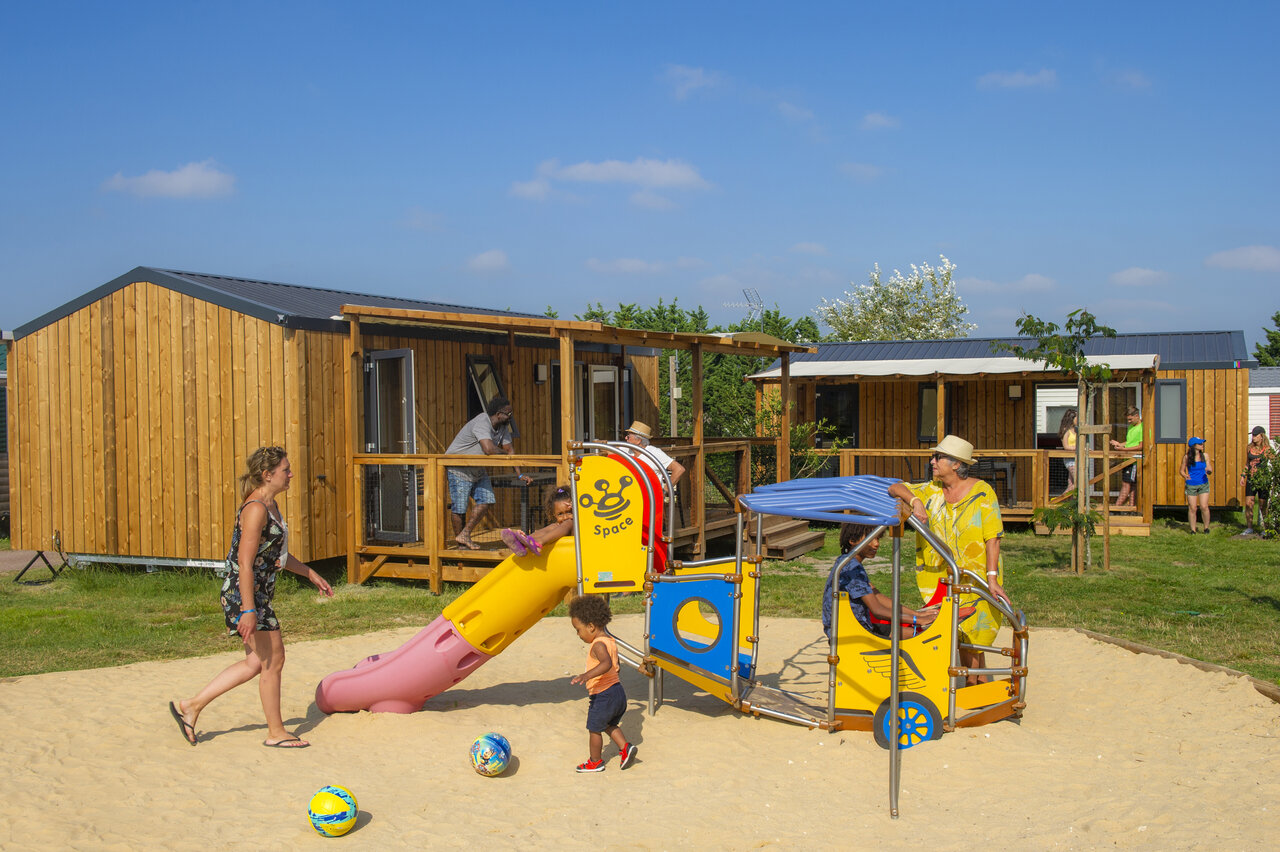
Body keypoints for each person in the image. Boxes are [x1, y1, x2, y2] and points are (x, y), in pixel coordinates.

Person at [170, 446, 334, 748]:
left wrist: (310, 573)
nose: (291, 475)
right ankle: (276, 733)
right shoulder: (256, 508)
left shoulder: (271, 507)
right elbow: (244, 562)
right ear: (267, 474)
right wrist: (248, 610)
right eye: (285, 470)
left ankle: (192, 706)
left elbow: (276, 556)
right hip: (245, 595)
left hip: (256, 594)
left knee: (255, 663)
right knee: (274, 660)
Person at [887, 435, 1010, 686]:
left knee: (975, 639)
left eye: (938, 457)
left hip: (976, 579)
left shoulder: (982, 494)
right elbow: (894, 486)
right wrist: (915, 500)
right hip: (943, 581)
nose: (932, 461)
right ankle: (976, 688)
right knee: (959, 635)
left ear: (956, 465)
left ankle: (977, 688)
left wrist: (992, 578)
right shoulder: (932, 490)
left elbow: (992, 537)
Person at [822, 523, 964, 640]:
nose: (876, 544)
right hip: (851, 633)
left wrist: (918, 614)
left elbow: (879, 597)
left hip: (854, 627)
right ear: (852, 541)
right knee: (924, 639)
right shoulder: (850, 568)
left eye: (877, 538)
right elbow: (877, 610)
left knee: (917, 634)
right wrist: (917, 620)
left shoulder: (848, 563)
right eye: (870, 539)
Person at [445, 396, 531, 550]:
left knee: (487, 499)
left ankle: (464, 534)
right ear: (499, 414)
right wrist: (505, 455)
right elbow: (489, 449)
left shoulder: (503, 427)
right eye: (508, 414)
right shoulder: (482, 422)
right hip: (458, 468)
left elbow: (510, 450)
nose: (510, 417)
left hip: (478, 468)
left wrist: (519, 474)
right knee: (460, 507)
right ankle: (461, 546)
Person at [568, 594, 637, 773]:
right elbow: (616, 666)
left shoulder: (598, 645)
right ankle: (626, 748)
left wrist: (585, 675)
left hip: (603, 694)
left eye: (578, 629)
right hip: (617, 692)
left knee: (594, 729)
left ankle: (595, 762)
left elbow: (606, 664)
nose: (578, 634)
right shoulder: (610, 641)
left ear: (591, 626)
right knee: (607, 724)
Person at [500, 485, 574, 556]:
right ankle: (525, 541)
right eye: (560, 514)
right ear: (554, 514)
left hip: (575, 550)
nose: (565, 517)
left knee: (569, 522)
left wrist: (577, 506)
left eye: (569, 512)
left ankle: (539, 542)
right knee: (554, 526)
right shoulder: (558, 525)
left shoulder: (573, 521)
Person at [622, 420, 686, 485]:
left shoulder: (654, 453)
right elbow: (612, 449)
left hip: (651, 494)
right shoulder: (627, 450)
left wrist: (665, 490)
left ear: (638, 440)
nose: (625, 438)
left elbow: (679, 469)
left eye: (628, 436)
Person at [1241, 426, 1272, 535]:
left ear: (1261, 436)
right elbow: (1247, 463)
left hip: (1262, 479)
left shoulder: (1267, 449)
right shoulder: (1249, 448)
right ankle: (1249, 527)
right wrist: (1243, 475)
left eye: (1255, 435)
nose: (1253, 438)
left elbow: (1273, 461)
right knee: (1249, 503)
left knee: (1263, 505)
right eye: (1253, 435)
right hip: (1251, 478)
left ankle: (1266, 528)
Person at [1110, 406, 1143, 507]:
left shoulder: (1142, 428)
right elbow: (1130, 442)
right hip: (1127, 459)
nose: (1129, 421)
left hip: (1134, 460)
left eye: (1130, 419)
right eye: (1127, 419)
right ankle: (1131, 507)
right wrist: (1120, 444)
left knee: (1126, 484)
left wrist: (1123, 449)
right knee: (1132, 485)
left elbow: (1141, 446)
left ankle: (1116, 507)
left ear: (1137, 416)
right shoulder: (1131, 427)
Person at [1179, 437, 1213, 534]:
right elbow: (1181, 470)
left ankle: (1206, 528)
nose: (1202, 445)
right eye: (1200, 444)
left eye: (1202, 443)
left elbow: (1209, 467)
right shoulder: (1187, 457)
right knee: (1193, 507)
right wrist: (1185, 476)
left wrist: (1209, 470)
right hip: (1191, 485)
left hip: (1203, 484)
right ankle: (1193, 529)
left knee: (1204, 506)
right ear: (1194, 446)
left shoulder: (1205, 456)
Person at [1058, 409, 1079, 491]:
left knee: (1071, 484)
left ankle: (1067, 502)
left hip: (1078, 458)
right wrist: (1079, 448)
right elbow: (1066, 446)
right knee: (1079, 481)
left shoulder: (1076, 431)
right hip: (1070, 459)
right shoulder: (1066, 431)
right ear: (1071, 419)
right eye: (1077, 418)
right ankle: (1057, 501)